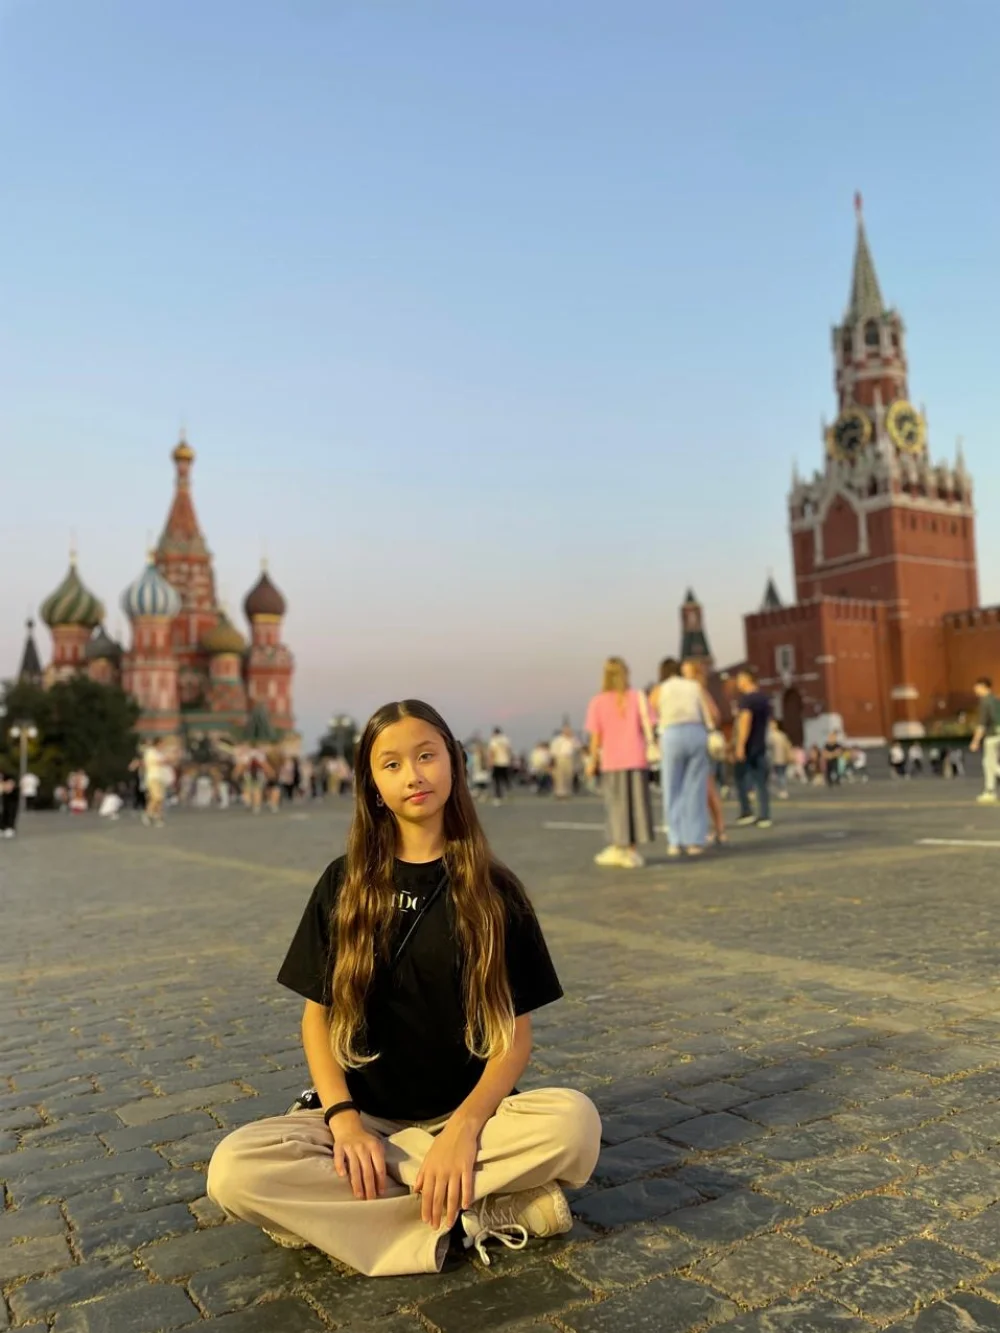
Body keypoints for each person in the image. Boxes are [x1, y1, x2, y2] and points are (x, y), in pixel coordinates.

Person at [206, 699, 600, 1277]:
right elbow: (317, 1019)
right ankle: (474, 1210)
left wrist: (463, 1130)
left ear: (454, 764)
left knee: (575, 1124)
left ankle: (367, 1214)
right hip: (364, 1121)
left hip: (470, 1119)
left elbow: (515, 1034)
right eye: (391, 764)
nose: (412, 775)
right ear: (372, 786)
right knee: (233, 1171)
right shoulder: (343, 883)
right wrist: (343, 1121)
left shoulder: (495, 891)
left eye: (426, 756)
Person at [584, 657, 655, 868]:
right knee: (637, 805)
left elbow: (596, 737)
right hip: (636, 758)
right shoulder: (638, 697)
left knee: (616, 806)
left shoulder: (598, 701)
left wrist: (592, 761)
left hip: (612, 760)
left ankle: (618, 846)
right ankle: (632, 850)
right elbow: (650, 724)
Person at [651, 658, 712, 858]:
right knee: (695, 789)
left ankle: (675, 840)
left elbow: (651, 710)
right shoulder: (694, 686)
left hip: (671, 734)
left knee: (671, 788)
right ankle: (694, 840)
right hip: (696, 731)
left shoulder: (661, 688)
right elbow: (710, 712)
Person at [734, 669, 772, 828]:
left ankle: (746, 811)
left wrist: (740, 745)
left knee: (740, 777)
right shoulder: (764, 699)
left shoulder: (747, 700)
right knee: (761, 782)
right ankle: (764, 816)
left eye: (739, 680)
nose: (737, 683)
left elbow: (745, 721)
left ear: (746, 679)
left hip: (749, 744)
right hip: (760, 743)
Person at [970, 676, 1000, 805]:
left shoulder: (985, 702)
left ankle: (990, 791)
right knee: (989, 763)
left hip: (992, 735)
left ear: (983, 687)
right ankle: (990, 790)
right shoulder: (996, 700)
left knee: (990, 764)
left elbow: (982, 724)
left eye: (976, 687)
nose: (975, 690)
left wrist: (975, 741)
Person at [549, 726, 578, 800]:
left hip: (570, 758)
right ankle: (560, 792)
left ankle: (567, 792)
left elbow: (578, 747)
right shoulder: (558, 740)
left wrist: (572, 739)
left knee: (569, 775)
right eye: (566, 731)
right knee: (559, 776)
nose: (568, 732)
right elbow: (553, 750)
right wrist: (553, 760)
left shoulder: (573, 739)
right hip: (560, 758)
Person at [487, 728, 513, 806]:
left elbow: (492, 752)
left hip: (497, 762)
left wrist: (490, 762)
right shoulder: (506, 739)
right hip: (505, 762)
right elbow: (509, 750)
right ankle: (505, 792)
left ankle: (498, 795)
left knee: (496, 780)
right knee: (504, 777)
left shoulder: (494, 740)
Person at [768, 719, 793, 800]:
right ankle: (782, 790)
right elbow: (788, 745)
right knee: (781, 775)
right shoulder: (782, 735)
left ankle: (782, 790)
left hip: (775, 758)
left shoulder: (771, 735)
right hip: (781, 758)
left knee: (779, 775)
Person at [0, 772, 18, 838]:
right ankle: (2, 827)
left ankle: (9, 827)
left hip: (9, 795)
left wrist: (9, 784)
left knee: (9, 809)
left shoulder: (6, 775)